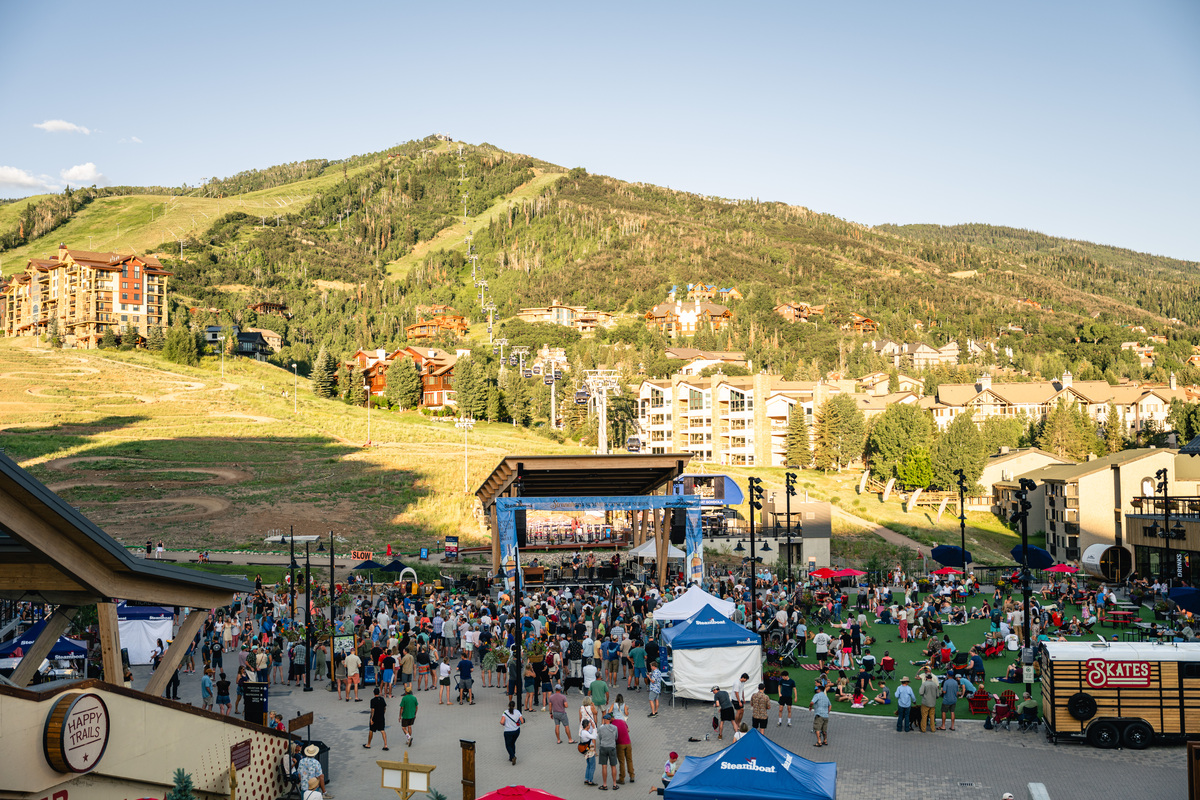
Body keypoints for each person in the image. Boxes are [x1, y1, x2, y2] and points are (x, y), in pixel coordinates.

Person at [597, 712, 619, 790]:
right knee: (613, 766)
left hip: (603, 747)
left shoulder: (601, 728)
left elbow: (600, 737)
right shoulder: (615, 728)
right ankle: (614, 784)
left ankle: (605, 784)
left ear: (605, 719)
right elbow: (616, 737)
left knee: (604, 766)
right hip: (612, 747)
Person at [500, 700, 525, 765]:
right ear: (514, 706)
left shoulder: (505, 712)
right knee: (513, 743)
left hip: (508, 731)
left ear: (508, 705)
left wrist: (503, 723)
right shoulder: (517, 712)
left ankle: (513, 756)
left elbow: (502, 722)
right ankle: (511, 757)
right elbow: (522, 721)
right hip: (516, 731)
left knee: (508, 745)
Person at [809, 682, 831, 747]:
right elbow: (830, 706)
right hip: (826, 715)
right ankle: (825, 740)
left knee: (817, 729)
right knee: (824, 730)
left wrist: (810, 706)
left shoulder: (817, 695)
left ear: (819, 690)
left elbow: (812, 702)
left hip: (819, 715)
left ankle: (819, 742)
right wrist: (827, 712)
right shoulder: (826, 697)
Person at [580, 717, 598, 786]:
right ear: (587, 726)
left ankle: (586, 779)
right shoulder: (586, 733)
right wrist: (594, 728)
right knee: (592, 766)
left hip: (586, 750)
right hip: (590, 751)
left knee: (588, 765)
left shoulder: (582, 732)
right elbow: (594, 737)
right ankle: (590, 780)